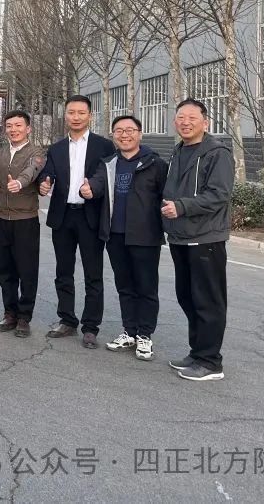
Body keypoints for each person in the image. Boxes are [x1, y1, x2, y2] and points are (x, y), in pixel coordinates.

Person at [82, 114, 168, 362]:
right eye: (119, 131)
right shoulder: (108, 163)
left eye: (130, 130)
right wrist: (88, 189)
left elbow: (166, 195)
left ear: (140, 134)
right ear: (113, 136)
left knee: (146, 288)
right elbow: (98, 183)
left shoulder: (155, 164)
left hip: (145, 236)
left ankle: (145, 335)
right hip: (115, 235)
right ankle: (129, 331)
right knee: (125, 287)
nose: (124, 135)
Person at [161, 98, 234, 382]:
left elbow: (219, 194)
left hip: (206, 238)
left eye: (192, 118)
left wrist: (181, 207)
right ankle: (197, 352)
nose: (185, 122)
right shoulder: (179, 150)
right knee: (188, 297)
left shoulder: (217, 153)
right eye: (181, 117)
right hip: (180, 236)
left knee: (208, 300)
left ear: (206, 122)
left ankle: (210, 362)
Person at [38, 95, 116, 348]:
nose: (76, 117)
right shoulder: (57, 148)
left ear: (90, 116)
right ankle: (67, 320)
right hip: (63, 216)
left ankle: (91, 327)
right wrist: (44, 183)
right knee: (63, 272)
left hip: (89, 215)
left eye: (81, 113)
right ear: (66, 115)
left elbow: (107, 177)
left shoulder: (104, 146)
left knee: (93, 274)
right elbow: (48, 173)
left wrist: (94, 188)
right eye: (71, 112)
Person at [0, 110, 46, 338]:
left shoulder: (37, 152)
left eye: (18, 125)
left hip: (25, 219)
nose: (13, 130)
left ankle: (24, 317)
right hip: (1, 218)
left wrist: (20, 183)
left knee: (27, 270)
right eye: (9, 126)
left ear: (28, 129)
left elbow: (32, 171)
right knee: (5, 270)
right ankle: (10, 313)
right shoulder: (0, 153)